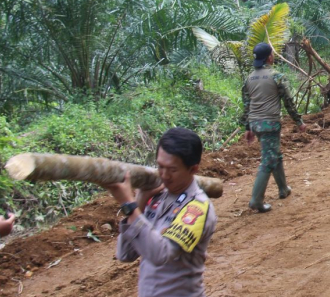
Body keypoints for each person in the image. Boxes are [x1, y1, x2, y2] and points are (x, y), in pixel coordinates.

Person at [105, 127, 217, 297]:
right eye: (160, 167)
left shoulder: (197, 208)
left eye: (172, 170)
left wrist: (129, 204)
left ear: (193, 169)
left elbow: (161, 254)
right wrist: (140, 202)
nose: (164, 175)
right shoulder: (156, 197)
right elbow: (125, 254)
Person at [242, 42, 307, 213]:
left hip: (255, 123)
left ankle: (283, 189)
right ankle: (256, 200)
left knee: (275, 155)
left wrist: (247, 128)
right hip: (270, 123)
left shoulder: (249, 78)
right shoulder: (276, 76)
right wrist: (299, 122)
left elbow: (247, 105)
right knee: (268, 161)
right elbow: (288, 102)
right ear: (270, 57)